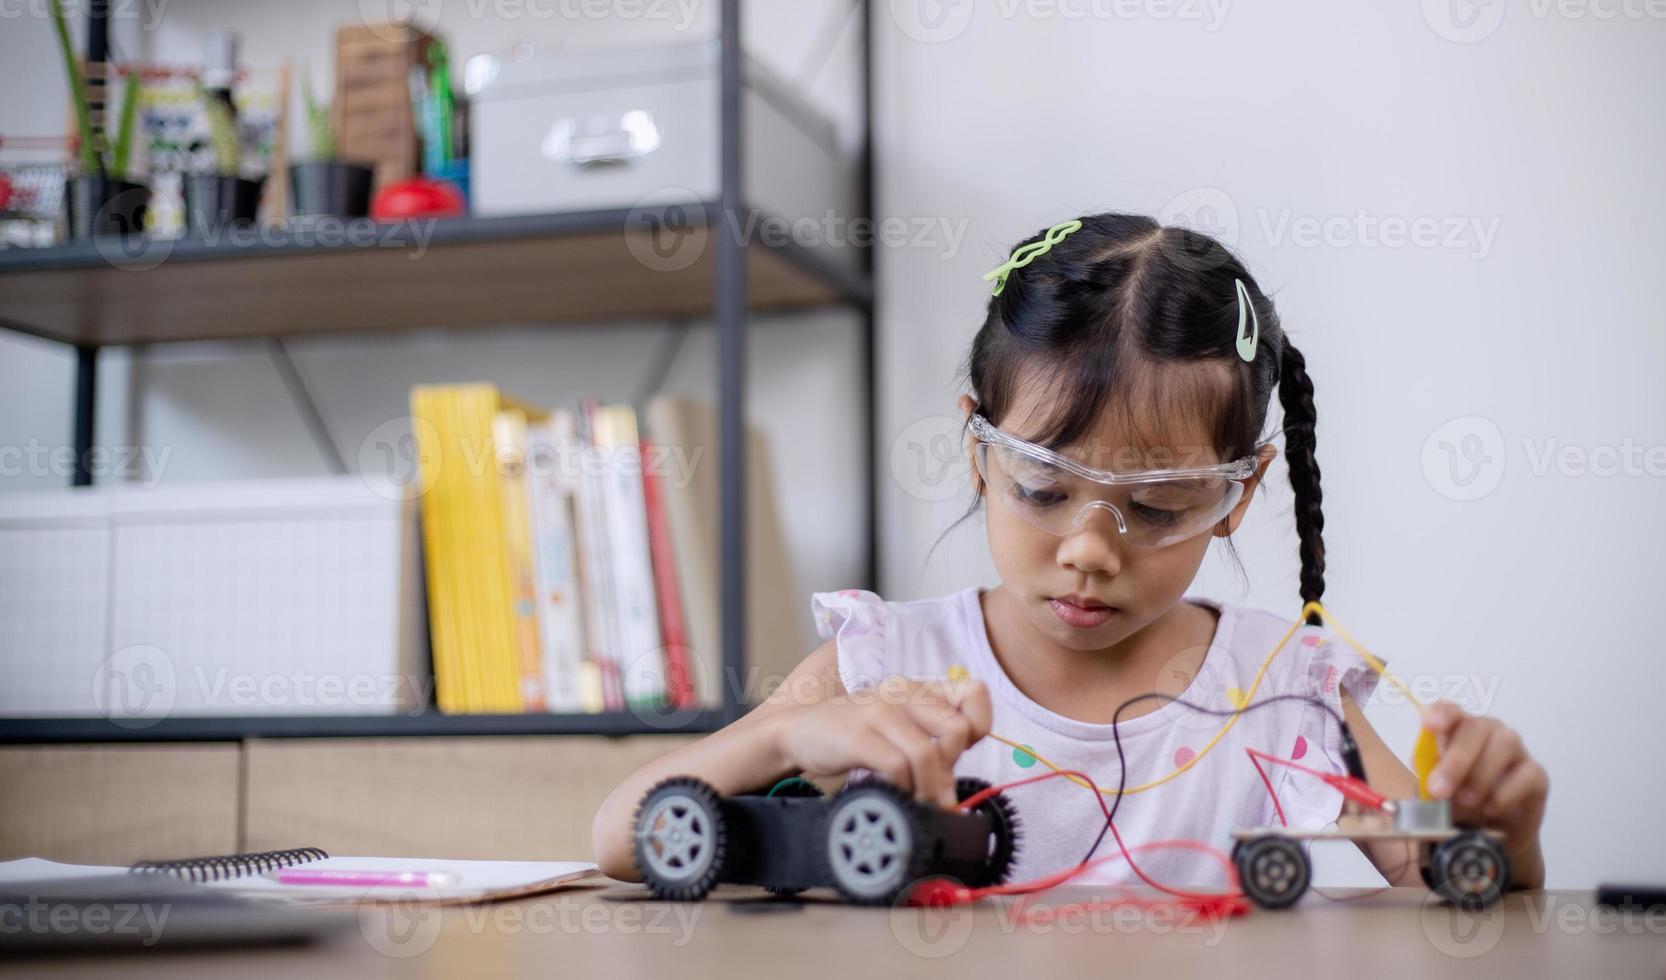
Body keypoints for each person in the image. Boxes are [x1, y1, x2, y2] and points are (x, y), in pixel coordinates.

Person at [592, 213, 1547, 889]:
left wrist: (1501, 834)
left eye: (1157, 505)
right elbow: (621, 837)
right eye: (1044, 491)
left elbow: (1438, 866)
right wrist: (788, 738)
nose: (1090, 550)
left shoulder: (1282, 690)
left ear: (1236, 495)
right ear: (979, 454)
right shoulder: (886, 664)